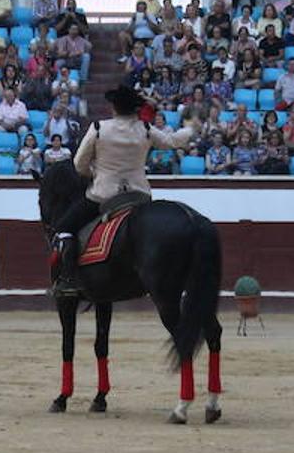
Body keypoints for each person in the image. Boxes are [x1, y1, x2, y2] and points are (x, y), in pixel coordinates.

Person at [50, 85, 193, 298]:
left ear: (114, 108)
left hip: (103, 195)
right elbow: (172, 142)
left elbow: (79, 164)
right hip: (139, 195)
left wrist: (94, 174)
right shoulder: (145, 128)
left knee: (64, 228)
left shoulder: (99, 128)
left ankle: (68, 279)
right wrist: (192, 128)